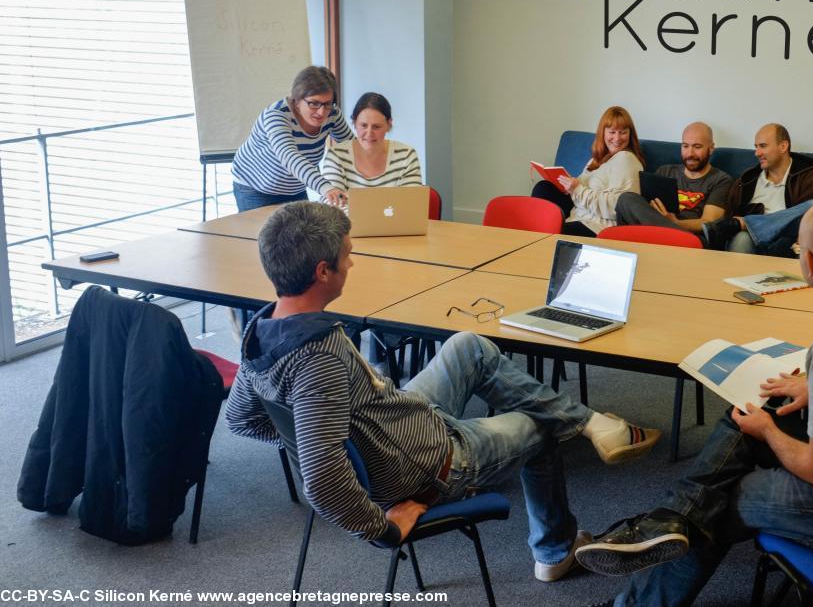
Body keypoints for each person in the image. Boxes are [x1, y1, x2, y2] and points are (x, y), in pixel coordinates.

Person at [226, 201, 662, 582]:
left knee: (467, 345)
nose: (352, 264)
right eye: (347, 256)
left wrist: (318, 438)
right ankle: (555, 551)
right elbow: (323, 483)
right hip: (432, 463)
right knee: (540, 426)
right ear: (323, 272)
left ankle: (591, 423)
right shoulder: (317, 359)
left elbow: (240, 419)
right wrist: (383, 527)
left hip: (402, 423)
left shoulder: (262, 331)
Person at [574, 201, 813, 606]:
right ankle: (669, 519)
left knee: (722, 501)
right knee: (749, 412)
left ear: (809, 263)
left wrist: (768, 432)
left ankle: (644, 583)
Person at [230, 65, 354, 212]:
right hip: (255, 187)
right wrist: (326, 187)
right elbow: (290, 157)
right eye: (313, 103)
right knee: (259, 234)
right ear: (296, 101)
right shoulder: (277, 115)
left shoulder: (332, 113)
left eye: (327, 103)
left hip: (295, 187)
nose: (321, 112)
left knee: (302, 233)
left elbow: (351, 148)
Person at [700, 123, 813, 256]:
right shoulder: (746, 181)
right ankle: (745, 227)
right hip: (753, 242)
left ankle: (745, 223)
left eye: (763, 146)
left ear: (783, 146)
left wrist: (743, 221)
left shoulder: (808, 178)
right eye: (756, 147)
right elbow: (730, 216)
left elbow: (812, 222)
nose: (757, 153)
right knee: (741, 240)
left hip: (787, 242)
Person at [532, 106, 646, 237]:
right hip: (578, 215)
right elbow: (579, 191)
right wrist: (568, 186)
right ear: (603, 132)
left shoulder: (626, 159)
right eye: (612, 132)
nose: (617, 138)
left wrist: (578, 190)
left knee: (546, 232)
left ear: (630, 134)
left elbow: (619, 207)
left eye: (623, 132)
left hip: (597, 226)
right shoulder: (596, 160)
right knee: (544, 188)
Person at [613, 122, 733, 236]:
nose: (690, 153)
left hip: (689, 237)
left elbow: (709, 222)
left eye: (697, 147)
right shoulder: (665, 171)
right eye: (685, 146)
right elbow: (645, 207)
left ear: (711, 148)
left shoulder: (721, 180)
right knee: (626, 198)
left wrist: (675, 223)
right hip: (655, 232)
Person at [319, 92, 422, 207]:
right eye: (363, 125)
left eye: (376, 127)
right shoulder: (336, 156)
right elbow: (332, 205)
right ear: (354, 123)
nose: (369, 133)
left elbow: (412, 204)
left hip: (397, 225)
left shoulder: (406, 156)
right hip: (350, 225)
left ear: (388, 125)